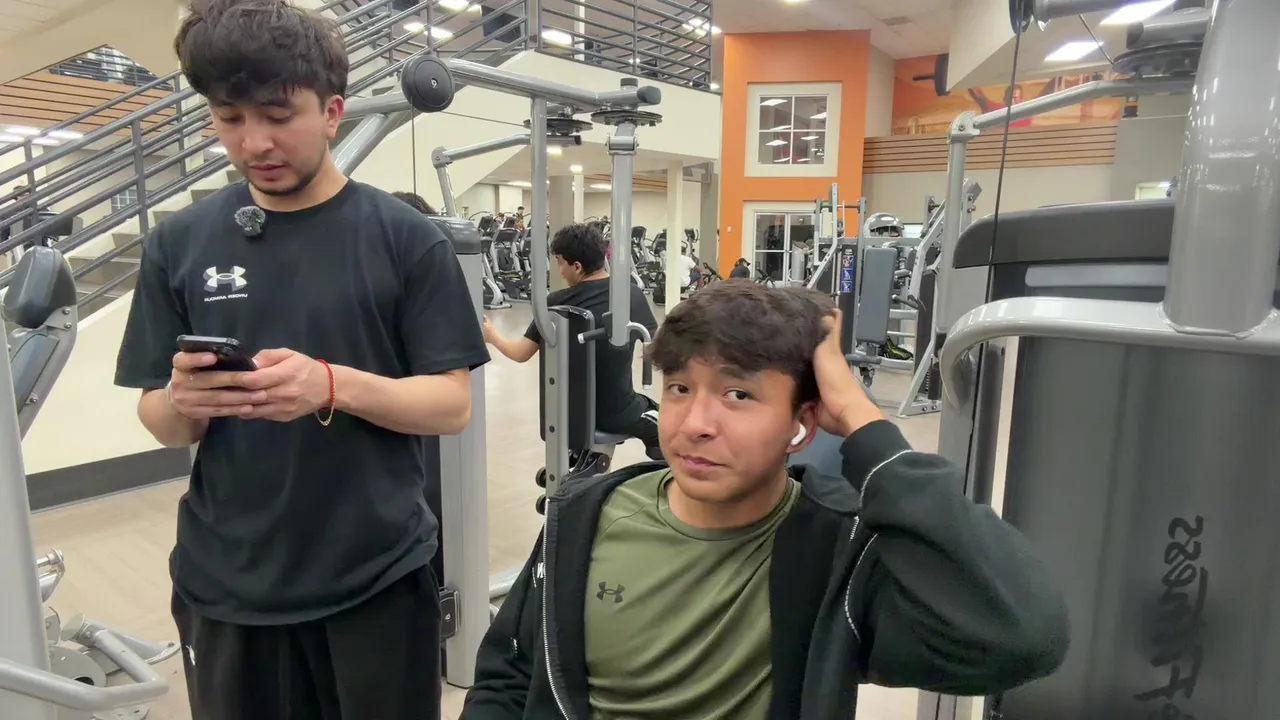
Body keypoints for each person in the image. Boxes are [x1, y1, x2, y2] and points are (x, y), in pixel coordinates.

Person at [113, 0, 489, 718]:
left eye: (278, 115)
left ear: (332, 113)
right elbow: (161, 420)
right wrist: (183, 402)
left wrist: (330, 385)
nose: (254, 141)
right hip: (228, 582)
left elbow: (451, 405)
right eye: (230, 118)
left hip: (375, 577)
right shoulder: (180, 243)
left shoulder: (406, 239)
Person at [462, 282, 1069, 719]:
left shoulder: (841, 555)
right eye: (679, 388)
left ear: (801, 425)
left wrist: (866, 425)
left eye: (739, 396)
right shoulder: (584, 514)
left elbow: (1021, 636)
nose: (694, 424)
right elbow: (507, 673)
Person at [482, 222, 662, 460]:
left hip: (570, 413)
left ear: (577, 266)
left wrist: (492, 335)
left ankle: (585, 461)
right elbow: (656, 346)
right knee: (666, 420)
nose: (559, 271)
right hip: (618, 413)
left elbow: (520, 353)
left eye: (560, 263)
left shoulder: (555, 303)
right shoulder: (630, 294)